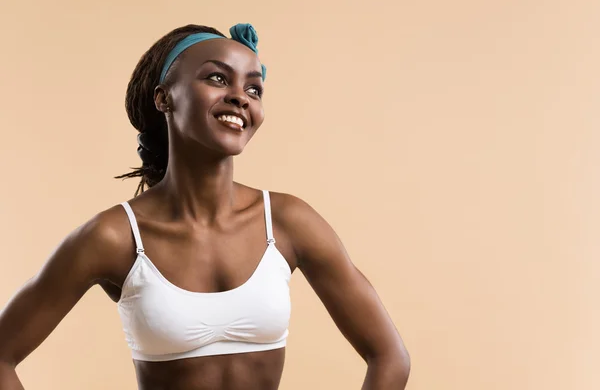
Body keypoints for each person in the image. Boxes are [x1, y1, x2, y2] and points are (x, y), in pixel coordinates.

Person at [0, 23, 410, 390]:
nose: (240, 98)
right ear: (164, 98)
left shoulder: (288, 222)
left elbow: (390, 359)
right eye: (217, 78)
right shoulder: (114, 236)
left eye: (253, 88)